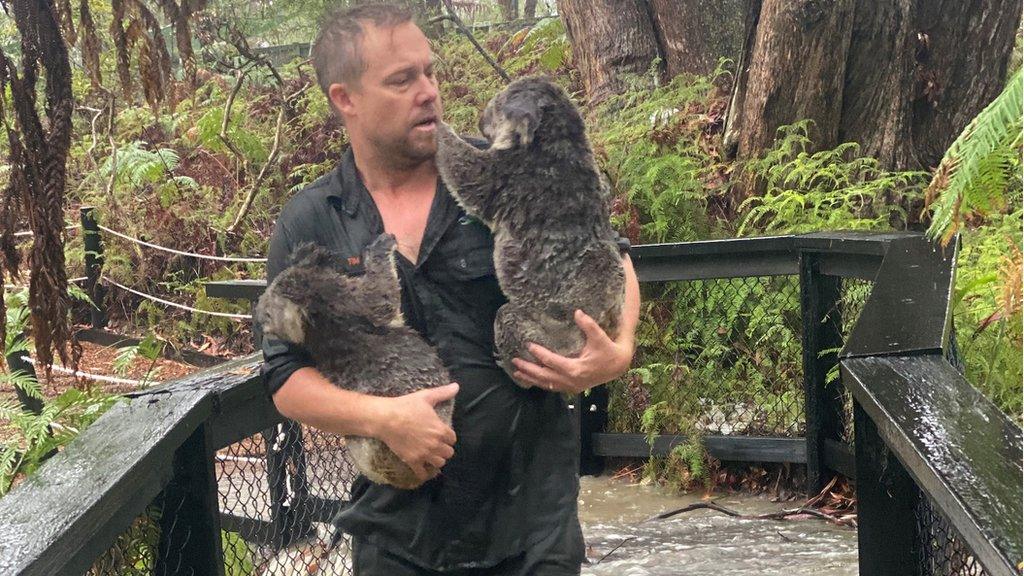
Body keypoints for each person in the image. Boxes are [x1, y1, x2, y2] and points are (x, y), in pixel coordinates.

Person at [260, 4, 641, 575]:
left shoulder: (504, 170)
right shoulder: (311, 220)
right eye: (401, 79)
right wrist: (381, 419)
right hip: (398, 535)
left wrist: (618, 350)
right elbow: (285, 378)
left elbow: (611, 255)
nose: (428, 91)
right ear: (346, 99)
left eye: (430, 72)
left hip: (532, 529)